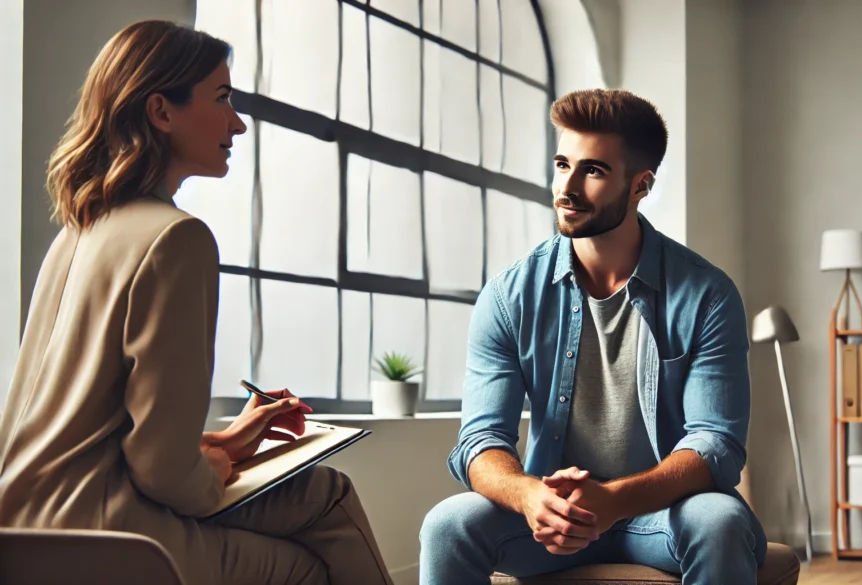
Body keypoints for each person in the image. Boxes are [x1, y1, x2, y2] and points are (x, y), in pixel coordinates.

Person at [0, 20, 392, 585]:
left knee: (317, 501)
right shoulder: (175, 238)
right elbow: (162, 472)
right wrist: (214, 466)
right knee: (317, 530)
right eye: (223, 98)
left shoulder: (79, 232)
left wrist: (223, 443)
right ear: (162, 112)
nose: (237, 122)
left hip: (26, 523)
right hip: (107, 533)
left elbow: (92, 426)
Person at [419, 88, 767, 585]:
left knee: (719, 521)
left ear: (640, 185)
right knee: (448, 524)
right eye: (563, 164)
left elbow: (716, 444)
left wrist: (615, 500)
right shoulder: (508, 296)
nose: (568, 186)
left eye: (594, 171)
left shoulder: (707, 295)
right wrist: (528, 494)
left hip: (662, 513)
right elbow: (479, 440)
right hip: (554, 515)